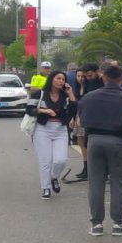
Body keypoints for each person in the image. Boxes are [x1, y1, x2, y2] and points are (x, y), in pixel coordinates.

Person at [76, 65, 122, 236]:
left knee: (96, 182)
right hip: (117, 142)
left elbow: (78, 123)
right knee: (118, 183)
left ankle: (96, 225)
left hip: (94, 142)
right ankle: (118, 224)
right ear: (121, 80)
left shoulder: (88, 98)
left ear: (103, 78)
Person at [27, 70, 76, 199]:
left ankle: (54, 177)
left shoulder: (65, 95)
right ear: (52, 80)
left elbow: (74, 109)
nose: (61, 81)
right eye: (58, 78)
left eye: (63, 79)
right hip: (43, 129)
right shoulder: (40, 94)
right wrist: (44, 110)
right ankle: (46, 188)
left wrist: (70, 93)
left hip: (60, 129)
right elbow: (29, 109)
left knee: (61, 160)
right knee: (45, 161)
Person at [71, 63, 104, 179]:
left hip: (88, 118)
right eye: (78, 76)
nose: (81, 78)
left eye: (83, 76)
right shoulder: (77, 86)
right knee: (80, 141)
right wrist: (74, 117)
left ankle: (92, 168)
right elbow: (76, 103)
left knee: (88, 142)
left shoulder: (93, 84)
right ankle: (86, 168)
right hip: (79, 116)